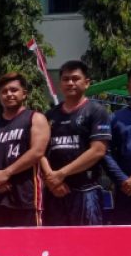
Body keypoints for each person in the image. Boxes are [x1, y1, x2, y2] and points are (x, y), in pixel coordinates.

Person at [41, 60, 110, 226]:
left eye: (75, 78)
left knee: (87, 246)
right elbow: (40, 152)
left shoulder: (96, 111)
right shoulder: (50, 115)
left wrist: (61, 174)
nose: (70, 83)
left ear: (86, 83)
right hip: (55, 191)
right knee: (55, 246)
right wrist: (51, 179)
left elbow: (98, 151)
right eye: (65, 79)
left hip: (86, 191)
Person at [0, 72, 50, 227]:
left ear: (24, 94)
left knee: (28, 247)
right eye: (4, 91)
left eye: (13, 90)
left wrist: (7, 173)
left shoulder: (35, 118)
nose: (9, 94)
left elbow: (37, 152)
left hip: (26, 196)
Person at [104, 63, 131, 224]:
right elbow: (105, 152)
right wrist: (123, 180)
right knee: (125, 243)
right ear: (128, 87)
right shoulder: (115, 118)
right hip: (126, 191)